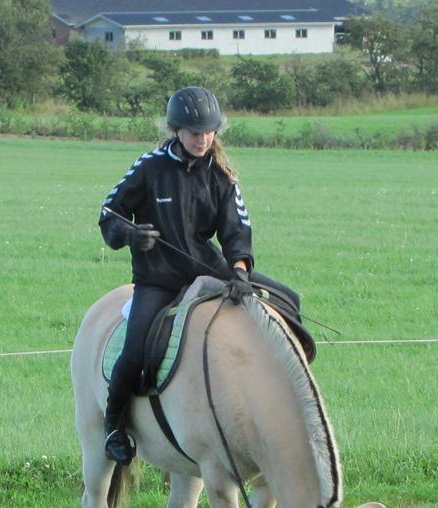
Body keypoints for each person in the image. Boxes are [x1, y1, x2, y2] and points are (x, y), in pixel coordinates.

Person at [98, 85, 299, 466]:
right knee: (137, 348)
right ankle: (115, 425)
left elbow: (237, 229)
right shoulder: (150, 167)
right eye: (195, 132)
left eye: (209, 131)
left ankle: (286, 401)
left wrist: (239, 269)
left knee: (290, 301)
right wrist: (131, 235)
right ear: (176, 130)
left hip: (210, 271)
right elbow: (109, 214)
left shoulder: (221, 175)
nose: (203, 139)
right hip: (158, 278)